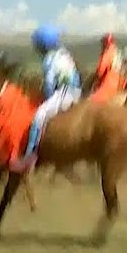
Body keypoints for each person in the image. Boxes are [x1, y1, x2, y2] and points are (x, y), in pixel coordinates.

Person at [10, 24, 82, 173]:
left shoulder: (49, 59)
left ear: (43, 45)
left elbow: (49, 83)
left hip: (63, 94)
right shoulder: (64, 54)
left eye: (38, 45)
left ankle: (29, 157)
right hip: (75, 92)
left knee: (39, 116)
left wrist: (47, 97)